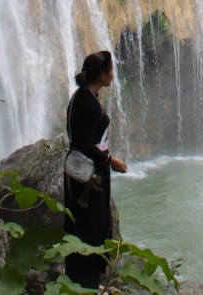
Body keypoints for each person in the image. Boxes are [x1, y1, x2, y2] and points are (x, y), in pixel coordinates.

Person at [64, 49, 128, 290]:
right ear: (102, 75)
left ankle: (87, 281)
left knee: (89, 223)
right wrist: (110, 160)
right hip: (89, 175)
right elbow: (84, 143)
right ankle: (86, 284)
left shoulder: (82, 96)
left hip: (85, 170)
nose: (113, 74)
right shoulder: (87, 102)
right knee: (90, 226)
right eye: (111, 70)